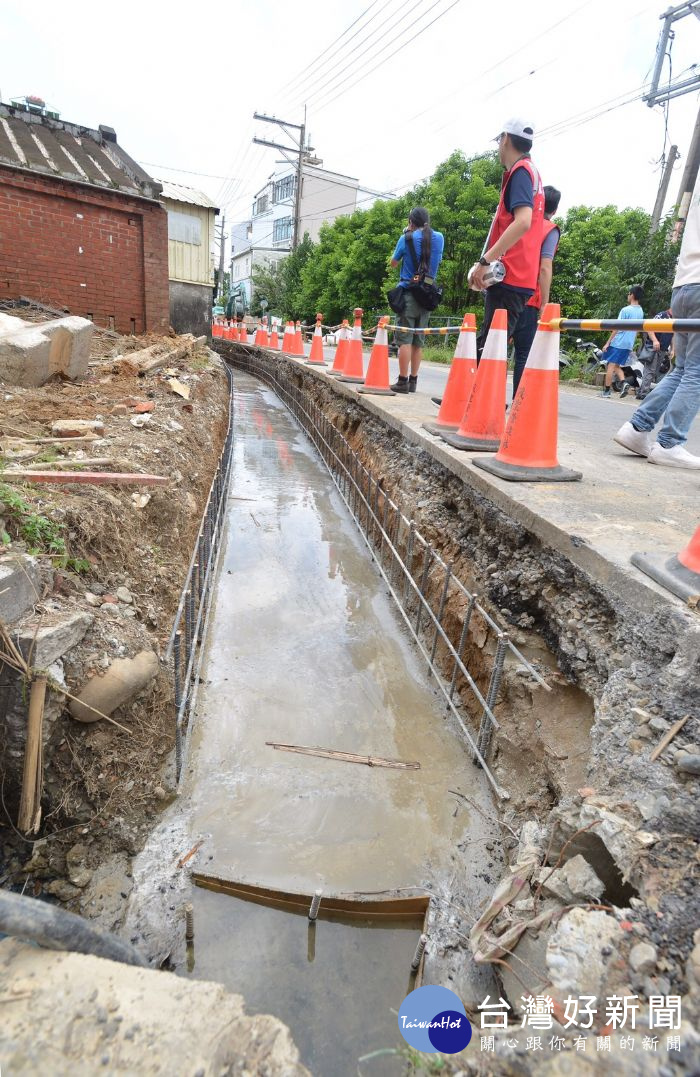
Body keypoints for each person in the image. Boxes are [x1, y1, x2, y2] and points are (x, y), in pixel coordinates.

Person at [614, 167, 700, 468]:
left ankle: (637, 428)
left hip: (685, 283)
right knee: (696, 371)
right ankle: (670, 443)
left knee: (683, 369)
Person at [469, 118, 545, 358]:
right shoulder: (532, 172)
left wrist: (484, 261)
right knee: (492, 344)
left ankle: (474, 396)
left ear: (506, 139)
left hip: (509, 273)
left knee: (490, 348)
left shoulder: (521, 172)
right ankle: (471, 396)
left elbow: (522, 221)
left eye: (499, 140)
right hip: (521, 274)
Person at [511, 185, 562, 397]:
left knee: (489, 345)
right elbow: (544, 266)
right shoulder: (549, 230)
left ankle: (472, 396)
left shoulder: (523, 223)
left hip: (507, 291)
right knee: (523, 353)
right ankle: (517, 402)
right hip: (529, 298)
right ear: (556, 209)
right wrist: (545, 303)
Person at [389, 207, 444, 394]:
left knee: (404, 338)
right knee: (418, 340)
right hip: (428, 293)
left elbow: (394, 263)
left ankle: (402, 381)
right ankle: (413, 381)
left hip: (409, 292)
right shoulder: (439, 238)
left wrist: (407, 235)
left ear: (411, 222)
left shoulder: (406, 238)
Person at [600, 286, 644, 398]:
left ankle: (606, 391)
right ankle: (624, 383)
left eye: (628, 294)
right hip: (628, 344)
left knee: (610, 365)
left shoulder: (625, 310)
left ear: (632, 295)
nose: (627, 296)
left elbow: (616, 327)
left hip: (618, 342)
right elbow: (638, 330)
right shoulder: (640, 311)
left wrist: (608, 342)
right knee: (616, 366)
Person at [636, 306, 673, 400]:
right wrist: (655, 340)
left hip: (663, 349)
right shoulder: (662, 315)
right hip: (654, 347)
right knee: (650, 370)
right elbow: (649, 327)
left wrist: (673, 349)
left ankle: (641, 391)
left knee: (654, 371)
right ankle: (643, 393)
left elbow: (673, 335)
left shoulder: (674, 319)